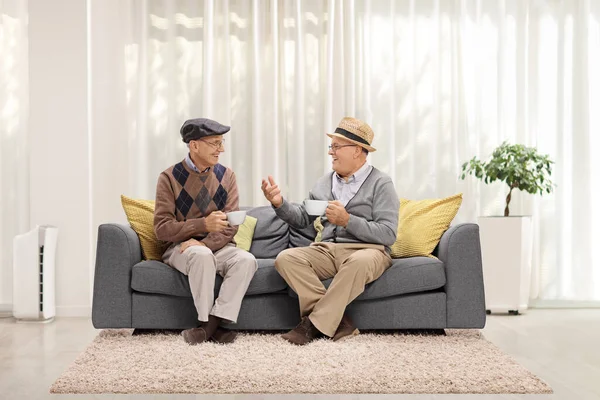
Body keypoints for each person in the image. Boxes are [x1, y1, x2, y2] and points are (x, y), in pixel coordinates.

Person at [261, 117, 399, 345]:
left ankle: (312, 325)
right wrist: (279, 203)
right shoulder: (323, 183)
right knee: (286, 258)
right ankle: (340, 322)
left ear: (357, 150)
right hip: (326, 250)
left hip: (367, 251)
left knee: (358, 262)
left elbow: (387, 234)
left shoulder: (381, 183)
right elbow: (302, 218)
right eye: (331, 146)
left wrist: (348, 220)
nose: (331, 153)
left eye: (336, 147)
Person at [154, 118, 257, 345]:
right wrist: (202, 225)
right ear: (194, 145)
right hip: (181, 249)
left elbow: (231, 224)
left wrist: (207, 243)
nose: (221, 149)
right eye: (215, 143)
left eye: (222, 142)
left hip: (217, 248)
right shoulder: (169, 178)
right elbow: (162, 229)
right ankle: (208, 325)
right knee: (201, 257)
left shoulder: (227, 176)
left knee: (247, 260)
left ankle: (209, 327)